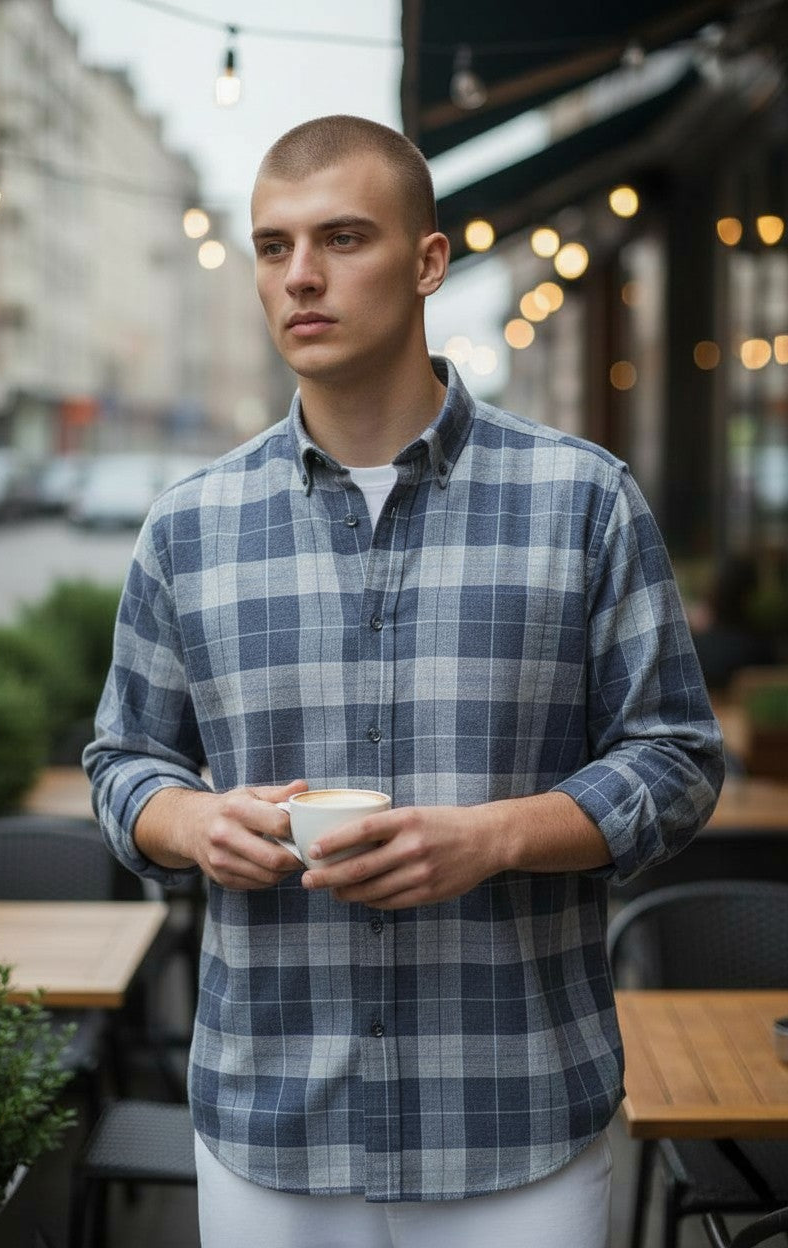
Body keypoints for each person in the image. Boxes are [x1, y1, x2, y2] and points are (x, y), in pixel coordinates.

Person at [84, 115, 724, 1248]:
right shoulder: (188, 527)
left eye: (341, 238)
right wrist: (190, 820)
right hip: (271, 1116)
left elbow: (675, 759)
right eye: (273, 247)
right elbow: (124, 760)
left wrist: (496, 837)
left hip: (513, 1113)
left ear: (429, 262)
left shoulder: (582, 499)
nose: (301, 277)